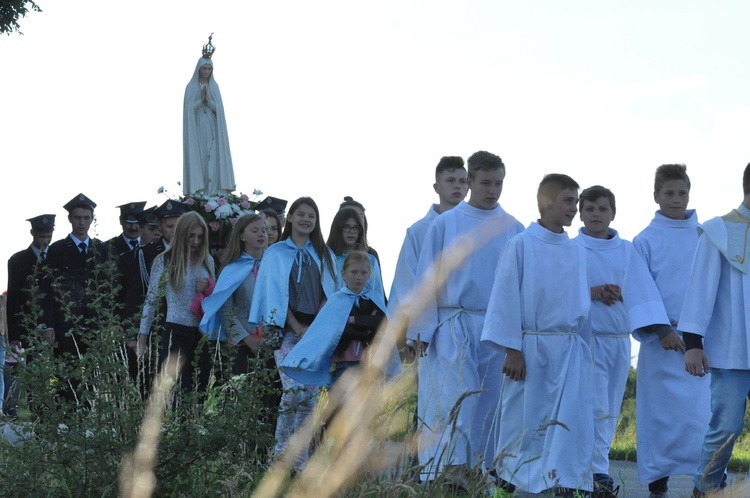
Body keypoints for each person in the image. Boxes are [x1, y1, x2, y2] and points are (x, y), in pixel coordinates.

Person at [409, 151, 523, 487]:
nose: (493, 190)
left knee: (488, 403)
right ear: (470, 181)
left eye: (498, 183)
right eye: (485, 183)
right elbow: (427, 280)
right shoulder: (446, 223)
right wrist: (420, 332)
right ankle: (447, 473)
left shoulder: (513, 228)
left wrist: (515, 338)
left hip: (495, 329)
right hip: (452, 325)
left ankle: (479, 472)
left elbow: (518, 287)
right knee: (450, 401)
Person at [481, 174, 593, 496]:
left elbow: (581, 305)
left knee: (569, 422)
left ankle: (562, 484)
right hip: (531, 347)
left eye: (577, 201)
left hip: (570, 349)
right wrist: (511, 350)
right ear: (547, 202)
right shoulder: (521, 245)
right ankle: (506, 483)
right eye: (568, 200)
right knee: (522, 422)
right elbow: (505, 297)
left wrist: (583, 351)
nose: (576, 208)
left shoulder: (577, 251)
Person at [574, 185, 672, 497]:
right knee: (593, 408)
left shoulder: (627, 250)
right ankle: (594, 474)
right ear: (580, 213)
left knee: (610, 408)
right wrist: (593, 292)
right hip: (585, 341)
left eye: (602, 209)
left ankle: (595, 473)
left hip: (617, 341)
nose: (595, 215)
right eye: (589, 209)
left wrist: (660, 328)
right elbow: (559, 289)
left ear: (613, 213)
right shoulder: (572, 248)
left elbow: (642, 291)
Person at [632, 164, 711, 498]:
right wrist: (661, 328)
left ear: (689, 194)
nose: (676, 199)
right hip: (661, 341)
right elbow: (639, 286)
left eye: (682, 193)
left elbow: (712, 285)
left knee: (703, 416)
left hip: (701, 341)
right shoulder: (645, 240)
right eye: (669, 193)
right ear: (656, 196)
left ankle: (705, 481)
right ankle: (657, 483)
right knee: (658, 419)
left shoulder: (705, 236)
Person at [249, 197, 340, 471]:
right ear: (289, 217)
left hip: (316, 331)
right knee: (292, 392)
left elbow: (331, 293)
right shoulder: (276, 253)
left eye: (311, 215)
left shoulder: (324, 254)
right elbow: (274, 293)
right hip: (287, 330)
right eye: (301, 214)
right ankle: (279, 455)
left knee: (309, 396)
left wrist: (313, 329)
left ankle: (301, 460)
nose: (306, 220)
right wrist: (296, 325)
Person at [678, 164, 750, 496]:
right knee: (727, 426)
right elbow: (699, 291)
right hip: (731, 351)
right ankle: (705, 488)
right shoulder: (718, 231)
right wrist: (693, 343)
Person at [281, 250, 390, 386]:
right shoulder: (337, 300)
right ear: (344, 274)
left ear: (370, 275)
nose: (358, 277)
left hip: (369, 360)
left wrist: (353, 320)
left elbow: (381, 322)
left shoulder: (373, 299)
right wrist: (364, 330)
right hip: (343, 360)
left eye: (363, 273)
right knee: (342, 403)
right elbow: (334, 329)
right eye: (354, 272)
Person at [137, 212, 216, 393]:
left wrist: (209, 286)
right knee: (180, 388)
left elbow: (215, 299)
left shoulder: (207, 260)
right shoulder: (165, 260)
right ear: (182, 234)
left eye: (200, 237)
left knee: (201, 387)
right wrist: (142, 338)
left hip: (202, 332)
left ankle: (197, 421)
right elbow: (151, 301)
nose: (195, 241)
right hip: (175, 331)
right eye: (191, 235)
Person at [42, 194, 110, 402]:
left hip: (94, 323)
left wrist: (108, 321)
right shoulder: (57, 250)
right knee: (66, 372)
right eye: (77, 218)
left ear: (92, 219)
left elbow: (108, 289)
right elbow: (48, 289)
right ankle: (69, 420)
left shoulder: (101, 249)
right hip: (66, 322)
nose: (82, 222)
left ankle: (89, 417)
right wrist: (49, 325)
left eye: (86, 218)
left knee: (93, 372)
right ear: (70, 219)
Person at [388, 156, 467, 324]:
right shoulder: (418, 231)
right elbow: (406, 282)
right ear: (437, 187)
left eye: (463, 181)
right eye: (450, 180)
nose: (457, 185)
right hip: (430, 323)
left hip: (470, 321)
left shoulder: (477, 229)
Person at [182, 35, 235, 196]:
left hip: (212, 124)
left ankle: (215, 190)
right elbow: (188, 109)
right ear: (198, 69)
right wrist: (200, 101)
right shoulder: (191, 87)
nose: (206, 72)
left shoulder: (215, 87)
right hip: (198, 125)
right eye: (204, 68)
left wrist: (210, 103)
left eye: (209, 69)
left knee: (214, 155)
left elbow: (219, 108)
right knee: (201, 156)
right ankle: (201, 189)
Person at [7, 214, 55, 347]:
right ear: (32, 233)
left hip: (56, 329)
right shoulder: (18, 261)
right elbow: (13, 299)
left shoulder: (58, 256)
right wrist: (14, 336)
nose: (45, 241)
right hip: (29, 329)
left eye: (48, 236)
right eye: (41, 236)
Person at [326, 207, 386, 302]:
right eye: (346, 227)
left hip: (363, 312)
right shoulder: (327, 259)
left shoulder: (370, 260)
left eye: (356, 227)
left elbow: (378, 294)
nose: (352, 231)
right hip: (334, 311)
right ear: (338, 229)